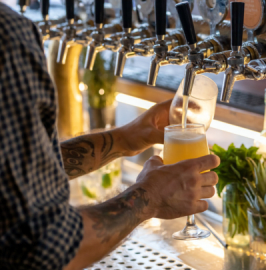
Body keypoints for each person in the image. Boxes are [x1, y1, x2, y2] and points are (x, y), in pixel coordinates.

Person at [0, 4, 220, 270]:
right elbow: (43, 245)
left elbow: (18, 169)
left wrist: (126, 139)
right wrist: (150, 197)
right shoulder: (8, 37)